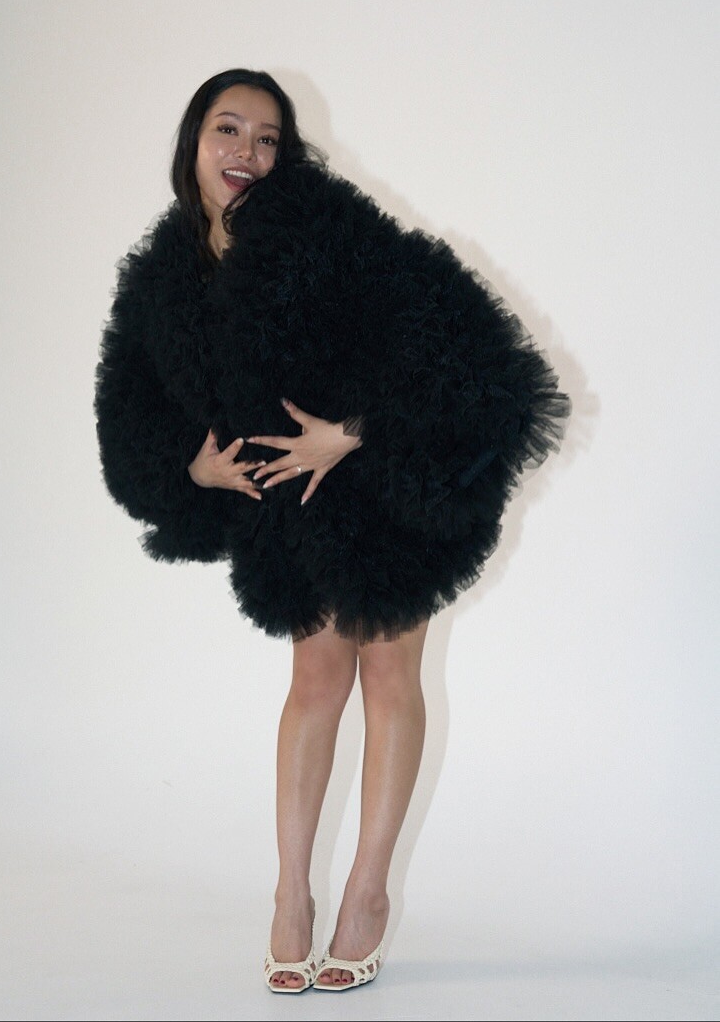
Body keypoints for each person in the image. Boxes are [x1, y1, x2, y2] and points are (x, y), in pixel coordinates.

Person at [94, 69, 571, 992]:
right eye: (228, 129)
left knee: (390, 677)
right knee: (315, 682)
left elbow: (466, 347)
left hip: (386, 494)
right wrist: (191, 466)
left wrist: (351, 433)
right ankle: (290, 894)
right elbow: (129, 406)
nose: (247, 151)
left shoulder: (331, 227)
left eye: (268, 137)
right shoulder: (162, 275)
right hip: (290, 510)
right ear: (193, 143)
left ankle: (367, 894)